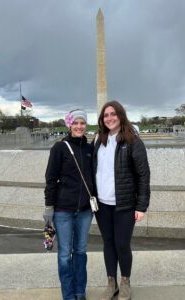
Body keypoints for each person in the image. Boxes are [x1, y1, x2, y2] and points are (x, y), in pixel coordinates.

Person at [93, 100, 151, 300]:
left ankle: (125, 281)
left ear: (120, 115)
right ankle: (112, 283)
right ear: (102, 119)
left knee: (122, 244)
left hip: (124, 204)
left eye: (113, 114)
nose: (109, 118)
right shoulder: (99, 140)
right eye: (105, 115)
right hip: (101, 205)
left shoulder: (132, 140)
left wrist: (142, 206)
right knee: (108, 243)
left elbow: (143, 175)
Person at [44, 109, 94, 300]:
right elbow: (50, 179)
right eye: (76, 123)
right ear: (69, 125)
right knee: (65, 255)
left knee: (81, 252)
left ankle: (80, 291)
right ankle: (68, 294)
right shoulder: (59, 148)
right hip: (63, 210)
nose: (79, 126)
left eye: (82, 123)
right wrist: (49, 207)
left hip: (85, 211)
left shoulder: (90, 149)